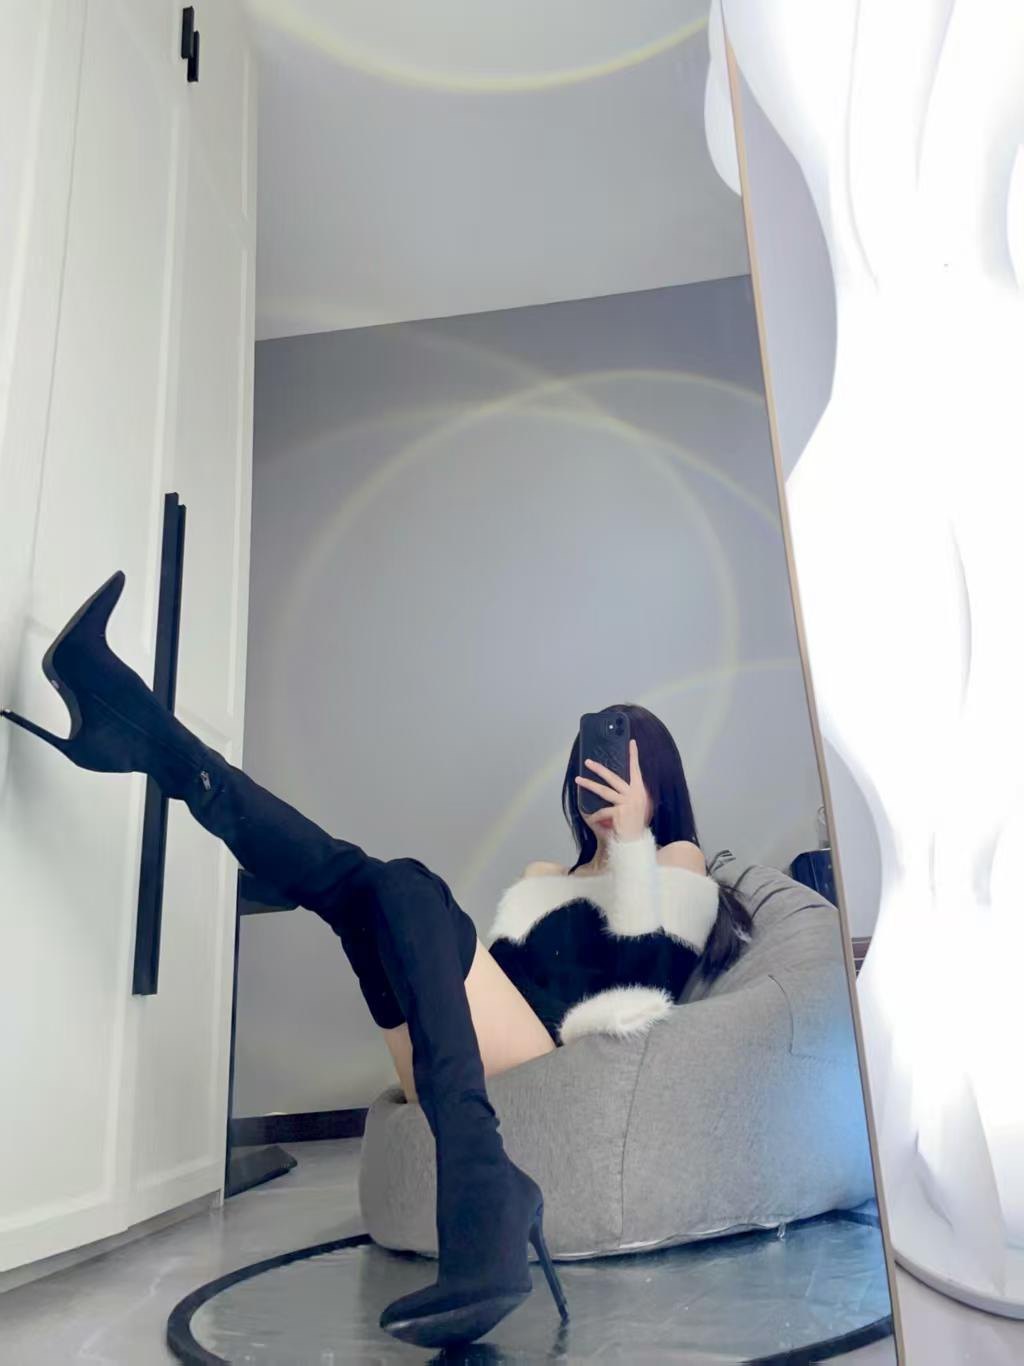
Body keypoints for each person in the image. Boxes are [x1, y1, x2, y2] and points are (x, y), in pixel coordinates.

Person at [3, 572, 751, 1348]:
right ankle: (485, 1187)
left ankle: (135, 728)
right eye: (592, 766)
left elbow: (645, 986)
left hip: (550, 1062)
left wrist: (630, 844)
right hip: (455, 1060)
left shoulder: (677, 860)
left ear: (656, 782)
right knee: (376, 887)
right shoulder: (543, 877)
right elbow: (476, 988)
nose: (602, 780)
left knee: (379, 882)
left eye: (623, 768)